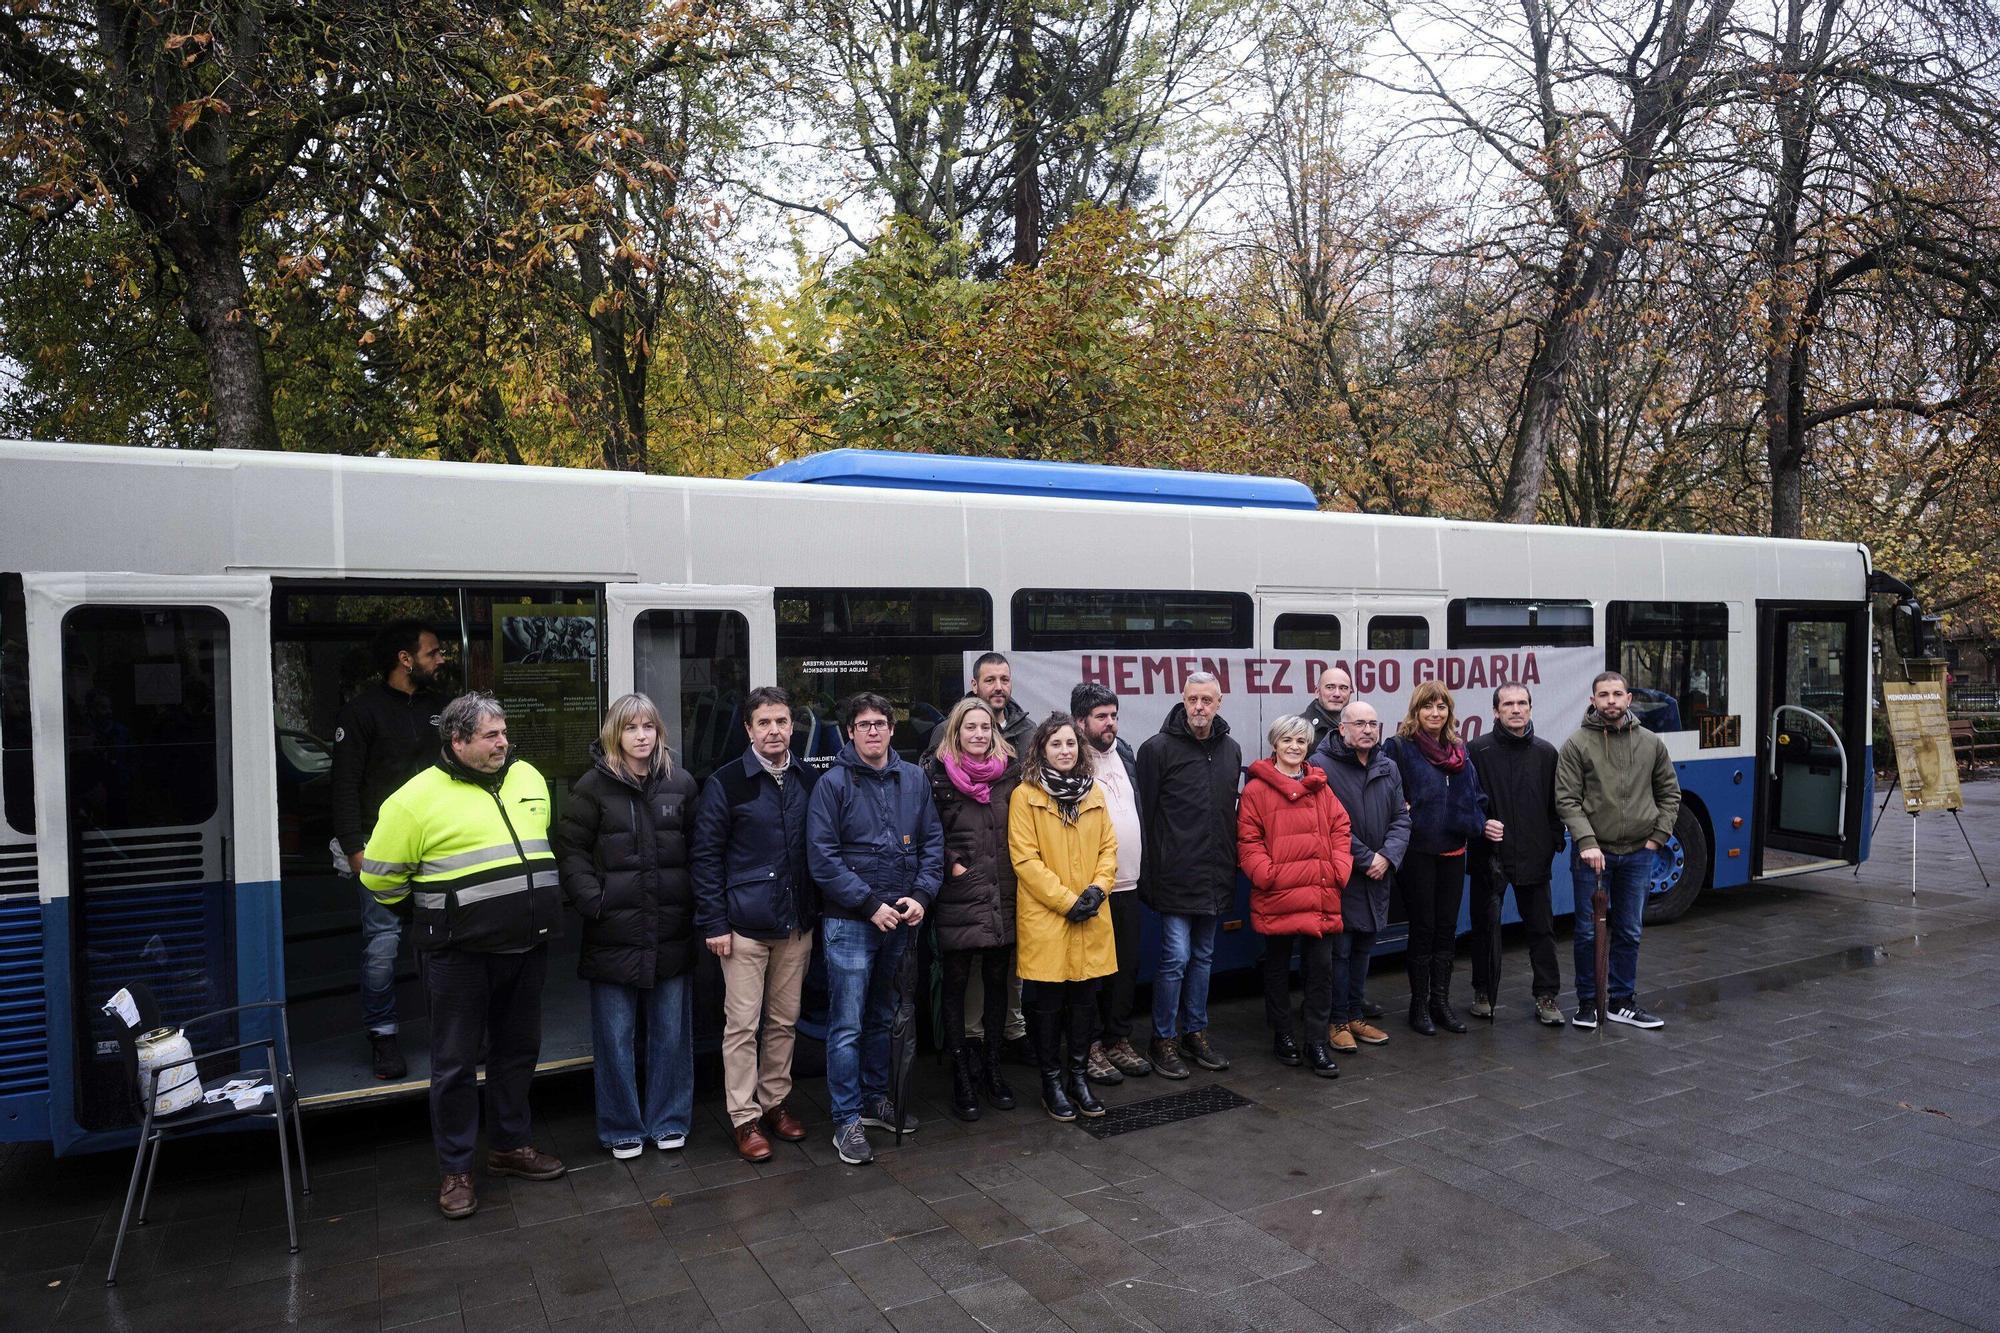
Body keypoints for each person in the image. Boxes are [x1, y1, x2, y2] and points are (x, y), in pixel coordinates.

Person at [360, 692, 565, 1220]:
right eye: (491, 735)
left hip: (526, 945)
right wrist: (437, 918)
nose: (504, 742)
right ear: (457, 741)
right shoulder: (412, 799)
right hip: (458, 957)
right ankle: (456, 1171)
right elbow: (379, 880)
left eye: (504, 732)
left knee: (517, 1053)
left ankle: (509, 1148)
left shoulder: (529, 779)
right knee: (453, 1065)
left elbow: (544, 845)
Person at [556, 693, 700, 1160]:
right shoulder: (591, 787)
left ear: (660, 732)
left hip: (669, 928)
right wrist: (591, 901)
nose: (641, 736)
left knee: (671, 1034)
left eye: (649, 727)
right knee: (615, 1037)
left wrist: (693, 901)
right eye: (631, 728)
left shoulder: (681, 783)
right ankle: (621, 1127)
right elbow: (570, 849)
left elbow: (700, 848)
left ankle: (669, 1120)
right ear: (615, 734)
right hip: (613, 931)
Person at [808, 692, 943, 1165]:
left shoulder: (914, 780)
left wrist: (921, 897)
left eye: (880, 723)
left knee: (885, 1017)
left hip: (902, 922)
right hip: (851, 923)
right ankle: (845, 1121)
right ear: (849, 732)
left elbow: (932, 846)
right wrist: (870, 905)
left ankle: (874, 1100)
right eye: (862, 724)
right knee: (846, 1025)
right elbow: (822, 861)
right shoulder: (832, 785)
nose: (872, 731)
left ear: (891, 729)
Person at [691, 685, 819, 1164]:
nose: (774, 731)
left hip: (796, 924)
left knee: (784, 1021)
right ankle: (744, 1118)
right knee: (742, 1026)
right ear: (748, 729)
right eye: (763, 723)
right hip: (744, 925)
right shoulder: (727, 783)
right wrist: (715, 922)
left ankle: (775, 1103)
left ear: (793, 726)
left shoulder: (808, 778)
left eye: (782, 721)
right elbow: (705, 857)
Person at [331, 619, 449, 1080]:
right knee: (382, 947)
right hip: (379, 849)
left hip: (440, 846)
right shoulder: (361, 713)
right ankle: (383, 1038)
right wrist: (355, 851)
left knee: (445, 946)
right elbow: (343, 787)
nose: (441, 659)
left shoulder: (444, 709)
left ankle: (453, 1035)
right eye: (433, 652)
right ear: (406, 659)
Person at [1009, 712, 1119, 1121]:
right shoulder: (1025, 795)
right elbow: (1025, 859)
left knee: (1085, 1003)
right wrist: (1068, 902)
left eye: (1070, 743)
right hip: (1049, 919)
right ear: (1041, 749)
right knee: (1048, 1006)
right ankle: (1051, 1083)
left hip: (1090, 915)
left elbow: (1109, 848)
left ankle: (1078, 1078)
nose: (1065, 750)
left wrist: (1096, 890)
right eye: (1055, 744)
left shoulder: (1095, 793)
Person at [1557, 671, 1681, 1030]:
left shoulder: (1651, 744)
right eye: (1603, 695)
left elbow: (1670, 794)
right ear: (1592, 701)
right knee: (1585, 932)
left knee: (1629, 930)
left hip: (1639, 854)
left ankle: (1621, 1001)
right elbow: (1566, 799)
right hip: (1592, 856)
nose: (1610, 700)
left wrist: (1657, 838)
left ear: (1629, 699)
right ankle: (1587, 1002)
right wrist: (1587, 843)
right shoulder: (1576, 744)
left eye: (1617, 694)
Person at [926, 652, 1033, 1064]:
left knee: (1004, 967)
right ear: (975, 685)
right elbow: (930, 822)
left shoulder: (1024, 736)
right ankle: (967, 1049)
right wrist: (953, 862)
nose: (998, 687)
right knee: (964, 975)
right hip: (964, 885)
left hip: (1005, 879)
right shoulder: (940, 751)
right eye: (990, 679)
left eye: (1004, 679)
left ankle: (1007, 1037)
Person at [1136, 672, 1242, 1078]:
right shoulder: (1156, 749)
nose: (1199, 707)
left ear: (1219, 703)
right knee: (1175, 959)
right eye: (1193, 699)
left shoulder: (1230, 750)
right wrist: (1149, 874)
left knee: (1203, 958)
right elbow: (1144, 816)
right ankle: (1162, 1039)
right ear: (1182, 700)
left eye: (1207, 700)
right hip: (1174, 875)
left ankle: (1194, 1033)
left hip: (1215, 874)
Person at [921, 697, 1021, 1122]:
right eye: (970, 727)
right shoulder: (937, 774)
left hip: (1003, 891)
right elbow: (925, 832)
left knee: (998, 981)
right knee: (958, 983)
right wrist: (953, 865)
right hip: (960, 891)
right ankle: (962, 1074)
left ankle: (993, 1069)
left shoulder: (1011, 772)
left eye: (986, 727)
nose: (979, 734)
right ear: (955, 732)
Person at [1238, 715, 1352, 1077]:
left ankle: (1316, 1040)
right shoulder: (1257, 790)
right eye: (1287, 740)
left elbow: (1341, 827)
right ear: (1275, 743)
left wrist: (1338, 870)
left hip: (1319, 892)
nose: (1294, 747)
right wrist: (1265, 875)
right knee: (1277, 967)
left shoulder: (1320, 785)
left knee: (1321, 970)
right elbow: (1248, 839)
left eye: (1301, 742)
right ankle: (1283, 1034)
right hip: (1279, 893)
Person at [1381, 682, 1495, 1037]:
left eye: (1441, 706)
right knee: (1424, 928)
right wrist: (1403, 811)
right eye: (1428, 706)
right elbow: (1386, 790)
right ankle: (1418, 1006)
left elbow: (1476, 796)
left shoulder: (1459, 751)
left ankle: (1440, 1002)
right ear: (1416, 711)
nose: (1435, 712)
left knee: (1447, 929)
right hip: (1417, 852)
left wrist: (1476, 822)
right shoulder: (1399, 747)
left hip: (1453, 850)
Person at [1466, 683, 1567, 1026]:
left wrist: (1554, 843)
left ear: (1531, 708)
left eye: (1522, 703)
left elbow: (1556, 806)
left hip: (1535, 856)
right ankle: (1483, 992)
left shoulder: (1546, 752)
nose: (1515, 709)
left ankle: (1547, 995)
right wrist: (1481, 826)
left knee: (1541, 930)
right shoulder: (1477, 750)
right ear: (1495, 711)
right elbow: (1467, 804)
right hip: (1489, 857)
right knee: (1485, 929)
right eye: (1507, 704)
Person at [1310, 702, 1407, 1054]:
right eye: (1359, 723)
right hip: (1343, 874)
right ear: (1342, 729)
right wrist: (1368, 859)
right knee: (1341, 950)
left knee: (1366, 945)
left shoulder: (1388, 766)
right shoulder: (1321, 766)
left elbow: (1401, 817)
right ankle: (1336, 1021)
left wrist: (1389, 857)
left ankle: (1354, 1014)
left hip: (1379, 873)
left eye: (1373, 723)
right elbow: (1327, 823)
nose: (1367, 729)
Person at [1071, 681, 1151, 1081]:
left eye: (1114, 716)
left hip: (1130, 883)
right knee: (1092, 975)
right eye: (1101, 717)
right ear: (1080, 720)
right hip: (1091, 889)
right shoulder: (1069, 760)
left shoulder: (1125, 753)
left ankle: (1118, 1039)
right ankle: (1089, 1047)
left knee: (1126, 969)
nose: (1111, 724)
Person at [1302, 665, 1354, 751]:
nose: (1337, 694)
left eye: (1343, 688)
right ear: (1317, 692)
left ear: (1350, 693)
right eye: (1330, 687)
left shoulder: (1359, 727)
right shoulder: (1297, 729)